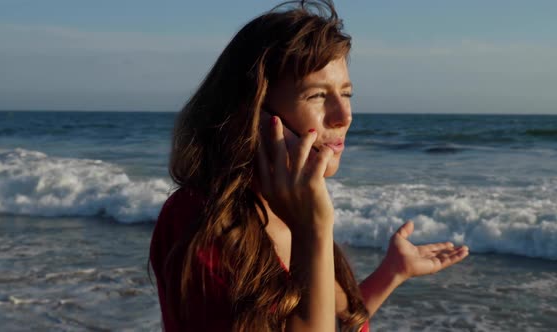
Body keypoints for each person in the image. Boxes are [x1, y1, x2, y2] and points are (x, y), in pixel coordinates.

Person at [149, 1, 469, 331]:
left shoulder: (287, 209)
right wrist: (313, 229)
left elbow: (327, 322)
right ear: (252, 114)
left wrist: (392, 273)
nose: (344, 117)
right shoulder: (200, 221)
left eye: (346, 94)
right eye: (317, 96)